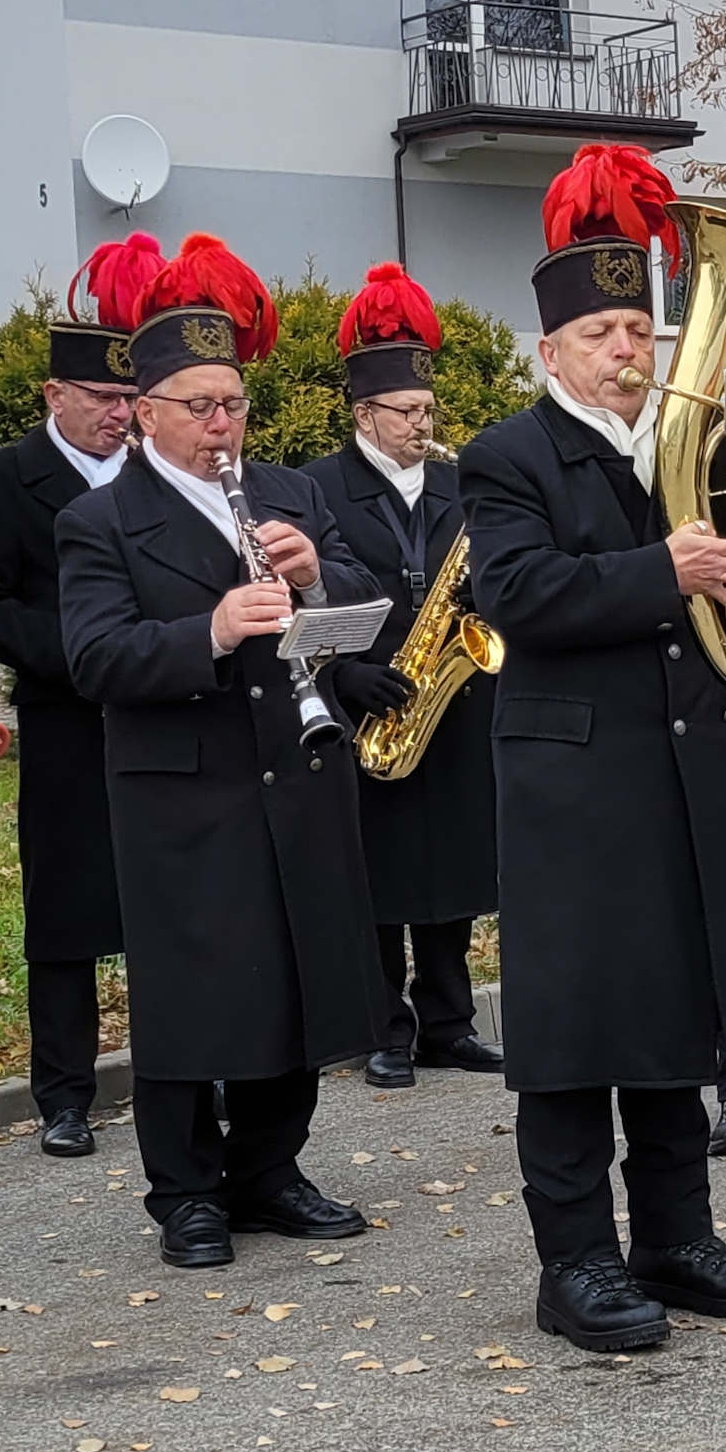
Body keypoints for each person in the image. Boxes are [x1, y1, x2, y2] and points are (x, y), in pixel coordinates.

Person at [456, 145, 726, 1352]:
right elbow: (515, 594)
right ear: (552, 354)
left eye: (639, 328)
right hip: (582, 782)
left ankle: (677, 1238)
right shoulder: (509, 455)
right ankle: (575, 1262)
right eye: (599, 335)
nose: (626, 351)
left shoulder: (715, 436)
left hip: (705, 772)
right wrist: (662, 569)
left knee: (680, 1017)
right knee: (580, 1027)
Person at [55, 233, 386, 1269]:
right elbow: (94, 656)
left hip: (297, 769)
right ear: (145, 411)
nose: (220, 425)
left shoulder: (291, 493)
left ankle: (269, 1170)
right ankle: (188, 1191)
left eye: (234, 404)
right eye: (198, 406)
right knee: (195, 988)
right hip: (185, 792)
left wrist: (316, 575)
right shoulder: (100, 520)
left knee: (294, 974)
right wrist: (209, 629)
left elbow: (366, 604)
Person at [0, 233, 150, 1158]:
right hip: (66, 713)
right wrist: (73, 652)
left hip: (158, 706)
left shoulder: (157, 473)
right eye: (101, 398)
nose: (118, 415)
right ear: (54, 395)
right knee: (65, 907)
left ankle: (182, 1068)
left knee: (166, 893)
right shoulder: (0, 484)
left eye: (130, 399)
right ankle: (64, 1092)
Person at [306, 263, 505, 1091]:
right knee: (380, 871)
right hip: (370, 700)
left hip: (450, 691)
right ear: (365, 415)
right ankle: (383, 1026)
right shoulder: (319, 486)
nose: (424, 424)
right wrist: (345, 674)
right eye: (407, 412)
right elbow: (304, 597)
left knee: (454, 864)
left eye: (428, 410)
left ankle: (449, 1022)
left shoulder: (460, 483)